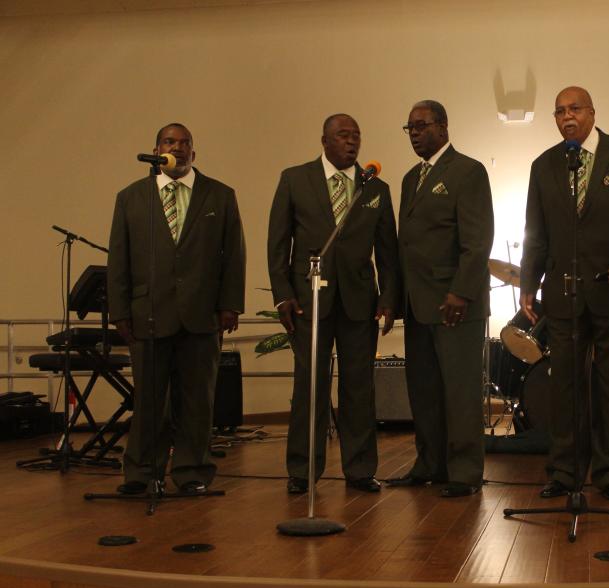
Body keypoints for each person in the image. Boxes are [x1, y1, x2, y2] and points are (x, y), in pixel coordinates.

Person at [519, 86, 609, 501]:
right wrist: (529, 283)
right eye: (560, 111)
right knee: (564, 387)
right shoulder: (544, 166)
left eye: (575, 109)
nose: (567, 116)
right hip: (564, 293)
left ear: (592, 113)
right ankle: (565, 472)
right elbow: (536, 231)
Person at [107, 123, 246, 495]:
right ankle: (140, 473)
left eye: (185, 143)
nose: (178, 148)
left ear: (194, 154)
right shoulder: (131, 198)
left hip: (202, 315)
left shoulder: (219, 195)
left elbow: (233, 255)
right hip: (148, 314)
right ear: (157, 150)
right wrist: (119, 311)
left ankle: (192, 471)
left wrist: (230, 304)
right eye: (170, 142)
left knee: (197, 400)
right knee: (149, 400)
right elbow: (119, 259)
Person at [267, 114, 399, 495]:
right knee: (310, 386)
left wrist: (388, 298)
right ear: (324, 140)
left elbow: (387, 250)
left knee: (359, 389)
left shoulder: (376, 187)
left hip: (360, 303)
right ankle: (303, 470)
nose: (352, 141)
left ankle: (360, 470)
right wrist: (283, 295)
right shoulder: (295, 179)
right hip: (309, 302)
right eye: (343, 135)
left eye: (357, 135)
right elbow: (278, 244)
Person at [386, 100, 494, 498]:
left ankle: (464, 473)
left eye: (422, 125)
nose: (415, 132)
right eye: (409, 127)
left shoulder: (468, 171)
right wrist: (395, 301)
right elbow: (403, 246)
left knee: (460, 391)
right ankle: (429, 463)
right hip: (418, 306)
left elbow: (478, 240)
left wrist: (460, 292)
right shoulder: (410, 178)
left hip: (455, 305)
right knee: (425, 390)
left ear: (444, 127)